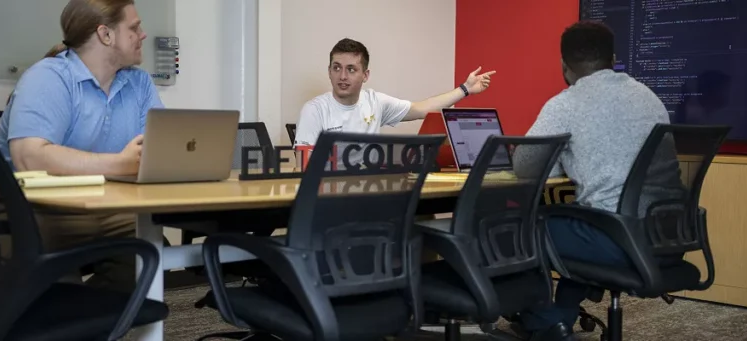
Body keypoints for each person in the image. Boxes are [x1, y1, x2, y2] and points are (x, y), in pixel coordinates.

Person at [510, 21, 685, 340]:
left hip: (618, 240)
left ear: (564, 65)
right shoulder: (648, 97)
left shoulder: (565, 104)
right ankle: (560, 316)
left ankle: (541, 319)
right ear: (614, 58)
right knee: (578, 216)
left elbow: (524, 170)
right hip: (668, 236)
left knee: (522, 225)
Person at [0, 0, 162, 292]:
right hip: (24, 209)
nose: (143, 34)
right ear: (105, 35)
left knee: (149, 247)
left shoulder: (138, 84)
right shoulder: (49, 77)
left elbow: (160, 151)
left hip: (97, 206)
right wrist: (119, 163)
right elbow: (29, 156)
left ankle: (83, 323)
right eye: (134, 27)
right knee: (45, 277)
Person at [293, 38, 496, 147]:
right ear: (329, 71)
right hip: (330, 200)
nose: (342, 76)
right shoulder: (314, 110)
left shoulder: (375, 102)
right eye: (336, 68)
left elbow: (421, 109)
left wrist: (465, 89)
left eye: (351, 69)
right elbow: (305, 170)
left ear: (365, 75)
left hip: (370, 191)